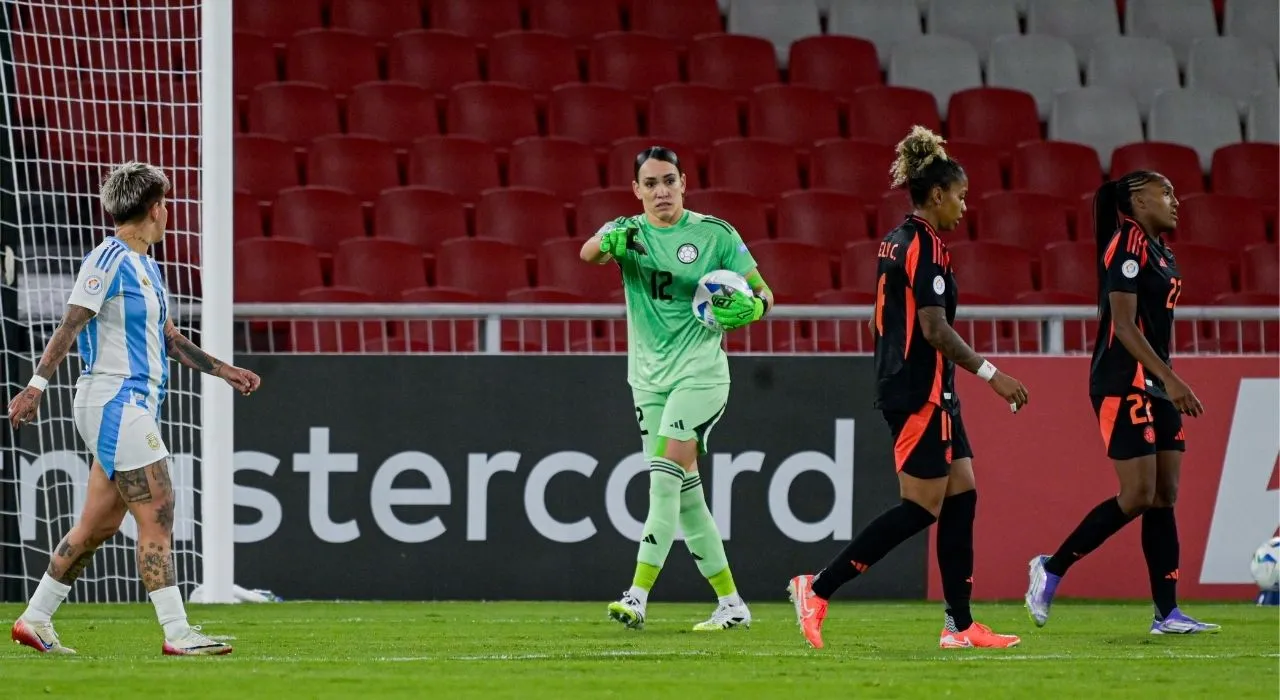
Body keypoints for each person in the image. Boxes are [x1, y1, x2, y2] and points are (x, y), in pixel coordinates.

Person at [787, 126, 1028, 650]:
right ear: (937, 195)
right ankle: (817, 586)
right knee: (921, 506)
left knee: (962, 493)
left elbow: (879, 321)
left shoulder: (895, 242)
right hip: (920, 390)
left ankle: (959, 626)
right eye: (960, 197)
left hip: (927, 388)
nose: (964, 207)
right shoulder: (927, 247)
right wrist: (993, 376)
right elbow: (935, 329)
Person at [7, 162, 262, 655]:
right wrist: (35, 386)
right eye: (164, 204)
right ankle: (177, 632)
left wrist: (223, 370)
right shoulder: (108, 260)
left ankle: (34, 618)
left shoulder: (147, 265)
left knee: (97, 526)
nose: (168, 213)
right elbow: (70, 325)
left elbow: (166, 337)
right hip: (113, 399)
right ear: (153, 209)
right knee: (159, 511)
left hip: (131, 403)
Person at [579, 146, 774, 631]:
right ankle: (732, 604)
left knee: (663, 480)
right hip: (647, 381)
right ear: (637, 191)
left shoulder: (715, 234)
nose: (661, 191)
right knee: (687, 497)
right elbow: (587, 254)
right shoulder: (630, 233)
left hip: (701, 375)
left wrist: (754, 309)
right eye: (650, 184)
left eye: (669, 181)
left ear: (684, 183)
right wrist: (609, 238)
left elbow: (765, 292)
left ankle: (638, 595)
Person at [1025, 171, 1218, 635]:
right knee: (1136, 494)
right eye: (1166, 192)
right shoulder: (1126, 243)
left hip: (1157, 382)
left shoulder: (1160, 251)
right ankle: (1051, 567)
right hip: (1123, 380)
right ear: (1138, 199)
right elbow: (1125, 327)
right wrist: (1172, 380)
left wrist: (1166, 379)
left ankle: (1166, 613)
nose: (1176, 200)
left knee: (1164, 495)